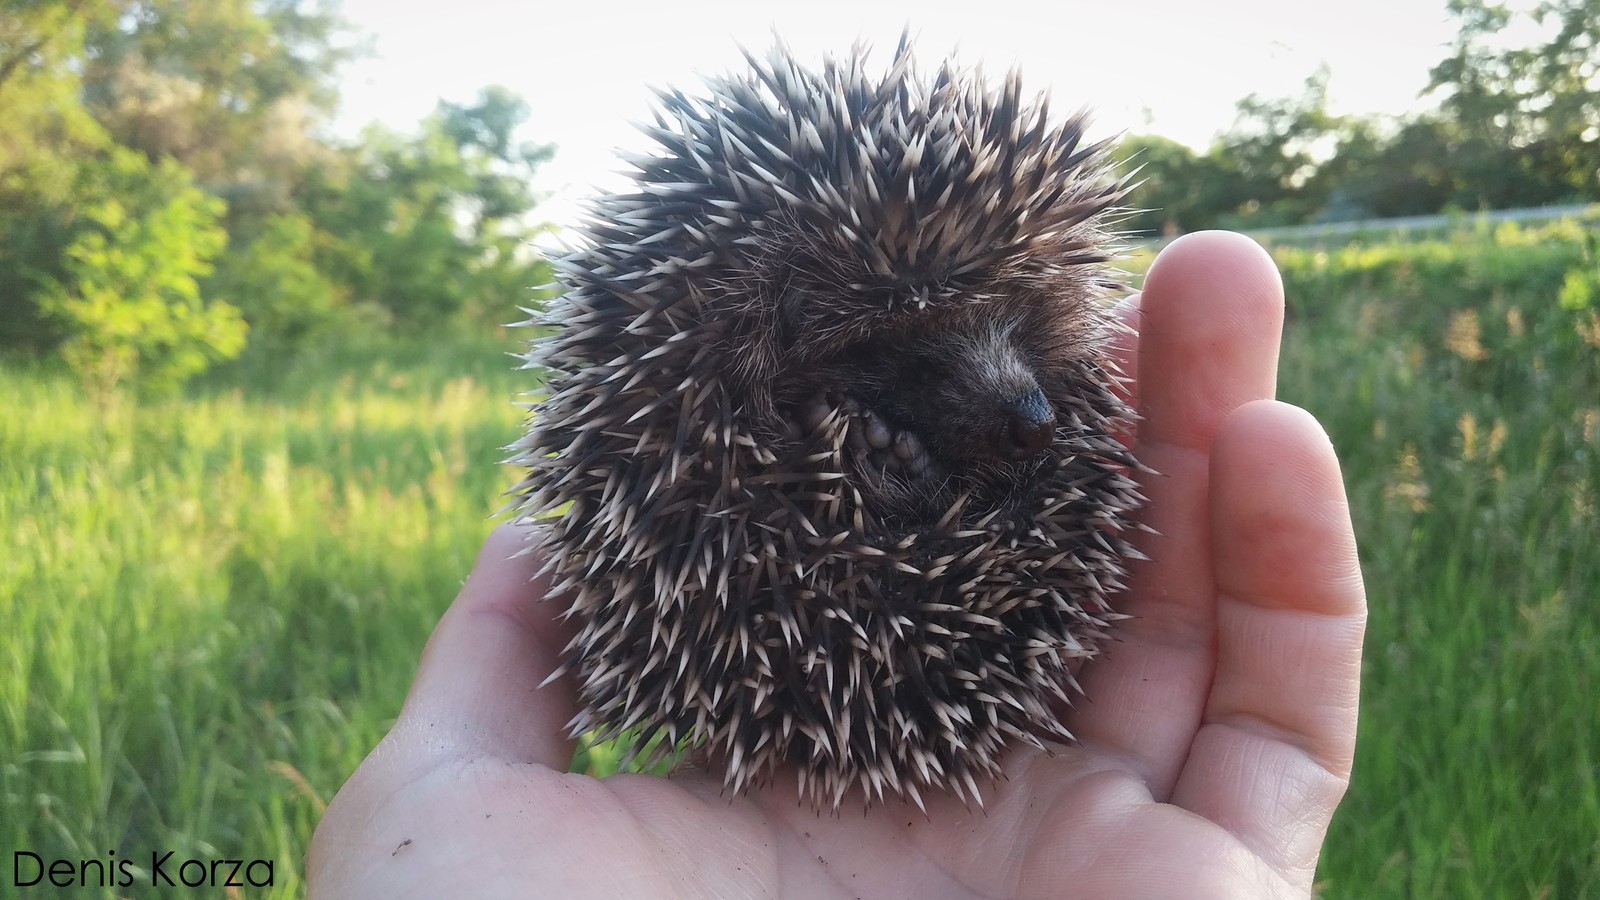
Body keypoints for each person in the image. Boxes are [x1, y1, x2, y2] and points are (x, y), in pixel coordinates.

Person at [307, 231, 1367, 899]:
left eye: (1006, 326)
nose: (1024, 404)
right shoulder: (696, 393)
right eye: (913, 344)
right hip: (771, 589)